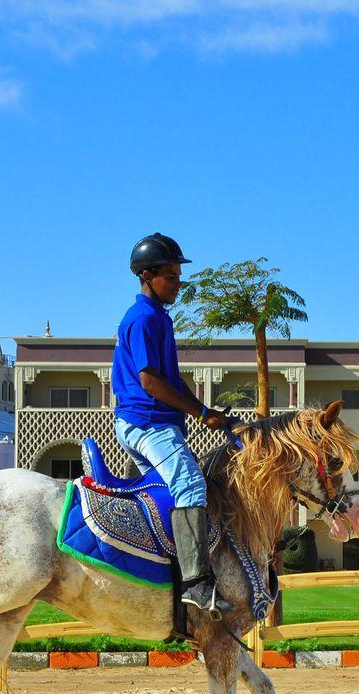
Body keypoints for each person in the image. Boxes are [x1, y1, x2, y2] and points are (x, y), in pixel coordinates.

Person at [112, 232, 234, 617]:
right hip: (147, 422)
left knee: (166, 496)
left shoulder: (159, 318)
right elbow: (150, 381)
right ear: (147, 276)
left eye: (179, 276)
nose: (178, 283)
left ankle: (160, 573)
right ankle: (197, 584)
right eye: (171, 276)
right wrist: (199, 414)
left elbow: (172, 379)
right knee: (191, 484)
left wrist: (204, 409)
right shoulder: (144, 319)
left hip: (149, 422)